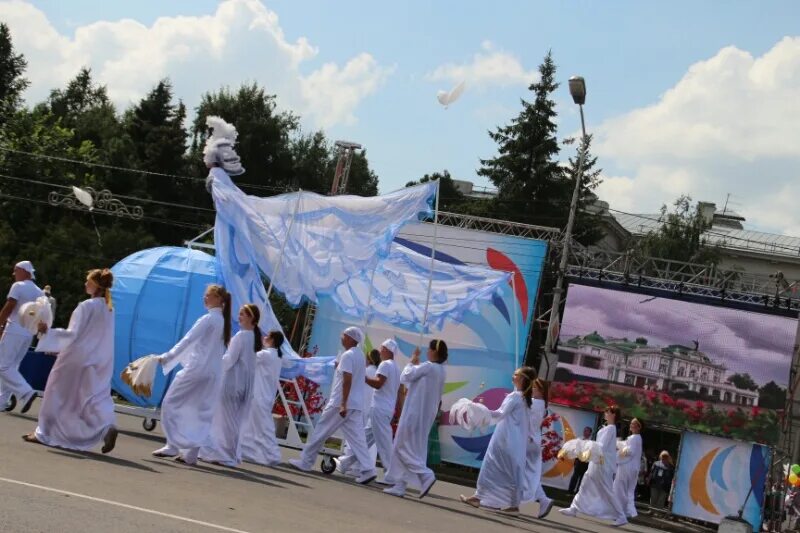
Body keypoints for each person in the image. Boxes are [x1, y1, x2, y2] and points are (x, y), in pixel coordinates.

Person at [23, 269, 117, 453]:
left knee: (55, 393)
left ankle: (44, 433)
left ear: (95, 286)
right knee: (91, 398)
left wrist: (47, 332)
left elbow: (72, 334)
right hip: (99, 359)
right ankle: (106, 426)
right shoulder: (109, 308)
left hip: (76, 357)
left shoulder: (86, 306)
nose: (85, 285)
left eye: (88, 282)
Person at [152, 284, 231, 466]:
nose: (205, 298)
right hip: (213, 374)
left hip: (197, 370)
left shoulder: (209, 319)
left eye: (208, 296)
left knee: (171, 403)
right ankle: (191, 453)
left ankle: (172, 444)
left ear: (219, 299)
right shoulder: (223, 323)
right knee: (198, 411)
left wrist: (167, 357)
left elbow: (189, 340)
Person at [289, 327, 377, 485]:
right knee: (358, 440)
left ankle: (306, 461)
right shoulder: (360, 355)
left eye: (343, 335)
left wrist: (343, 403)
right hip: (355, 404)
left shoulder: (348, 355)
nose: (341, 337)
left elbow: (347, 380)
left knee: (320, 431)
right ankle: (368, 469)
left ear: (350, 338)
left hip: (340, 403)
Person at [459, 366, 536, 514]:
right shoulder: (526, 400)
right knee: (511, 472)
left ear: (522, 379)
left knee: (490, 467)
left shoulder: (514, 397)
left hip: (504, 439)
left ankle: (479, 497)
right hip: (516, 442)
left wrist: (478, 409)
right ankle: (511, 504)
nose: (513, 376)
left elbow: (499, 414)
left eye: (516, 375)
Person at [382, 339, 447, 499]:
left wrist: (412, 361)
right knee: (414, 448)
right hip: (425, 415)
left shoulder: (429, 367)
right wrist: (417, 365)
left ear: (434, 352)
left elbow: (405, 377)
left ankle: (425, 474)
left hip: (414, 413)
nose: (427, 352)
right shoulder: (440, 370)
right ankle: (400, 484)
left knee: (400, 446)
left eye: (429, 350)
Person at [200, 304, 260, 467]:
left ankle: (225, 454)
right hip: (245, 385)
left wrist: (211, 365)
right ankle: (229, 453)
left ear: (251, 317)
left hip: (232, 383)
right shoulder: (254, 337)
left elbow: (229, 360)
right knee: (234, 421)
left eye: (242, 314)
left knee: (225, 420)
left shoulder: (241, 336)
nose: (239, 317)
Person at [560, 406, 628, 527]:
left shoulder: (611, 428)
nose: (605, 413)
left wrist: (585, 447)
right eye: (606, 411)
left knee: (607, 490)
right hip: (596, 461)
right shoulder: (607, 428)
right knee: (585, 484)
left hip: (602, 464)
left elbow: (601, 446)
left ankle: (621, 516)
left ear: (613, 415)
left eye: (608, 412)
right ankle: (573, 508)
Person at [0, 261, 43, 413]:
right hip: (28, 333)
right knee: (11, 367)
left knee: (3, 366)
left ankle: (25, 392)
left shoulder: (18, 286)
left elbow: (10, 305)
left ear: (24, 271)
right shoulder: (40, 291)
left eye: (15, 271)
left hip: (14, 330)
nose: (14, 275)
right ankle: (2, 401)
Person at [241, 330, 285, 466]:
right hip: (266, 395)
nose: (265, 338)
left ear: (272, 340)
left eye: (267, 336)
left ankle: (273, 455)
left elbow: (248, 357)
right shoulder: (277, 357)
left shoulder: (266, 355)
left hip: (259, 395)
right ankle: (247, 451)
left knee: (264, 427)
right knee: (251, 424)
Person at [522, 377, 555, 519]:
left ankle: (542, 499)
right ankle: (543, 499)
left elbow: (527, 421)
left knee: (521, 472)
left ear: (541, 391)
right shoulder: (542, 405)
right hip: (534, 441)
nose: (532, 390)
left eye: (534, 388)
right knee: (528, 474)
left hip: (527, 441)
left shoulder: (535, 403)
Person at [614, 418, 644, 519]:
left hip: (627, 467)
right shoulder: (637, 438)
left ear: (639, 427)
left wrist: (616, 455)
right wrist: (618, 443)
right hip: (633, 468)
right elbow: (626, 445)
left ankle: (619, 512)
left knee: (619, 488)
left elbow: (629, 452)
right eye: (631, 423)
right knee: (628, 491)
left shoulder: (634, 438)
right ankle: (628, 511)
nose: (631, 425)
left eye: (634, 424)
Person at [568, 427, 593, 494]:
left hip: (586, 462)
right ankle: (570, 491)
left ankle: (578, 492)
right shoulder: (579, 439)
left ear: (590, 433)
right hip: (578, 460)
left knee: (582, 478)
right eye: (584, 431)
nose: (585, 432)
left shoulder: (592, 442)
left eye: (587, 431)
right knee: (575, 476)